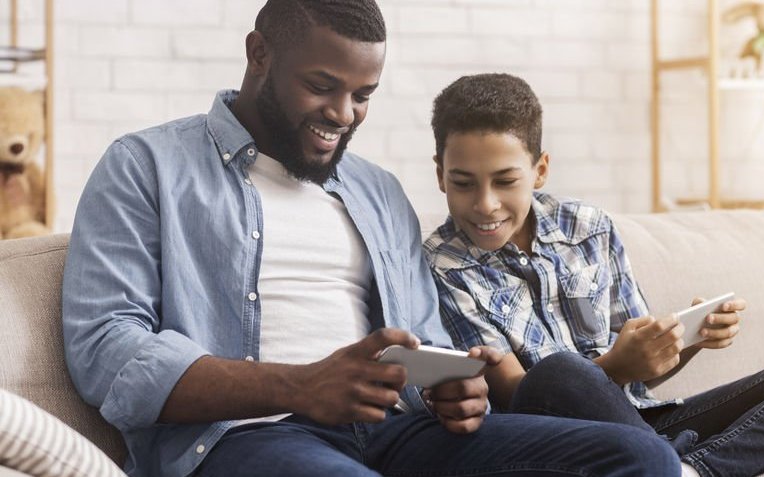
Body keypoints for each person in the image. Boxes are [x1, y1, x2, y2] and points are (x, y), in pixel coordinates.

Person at [61, 2, 683, 477]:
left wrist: (451, 388)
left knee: (639, 458)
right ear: (259, 54)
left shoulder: (377, 191)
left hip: (398, 431)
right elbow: (106, 349)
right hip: (246, 436)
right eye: (322, 86)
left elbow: (427, 342)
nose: (344, 113)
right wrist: (299, 385)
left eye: (363, 95)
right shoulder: (146, 166)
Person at [423, 72, 764, 477]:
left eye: (505, 181)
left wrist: (684, 341)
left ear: (540, 170)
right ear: (440, 174)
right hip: (557, 437)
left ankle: (685, 468)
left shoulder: (588, 228)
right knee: (558, 373)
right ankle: (665, 459)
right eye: (464, 183)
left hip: (646, 419)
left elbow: (642, 367)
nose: (486, 204)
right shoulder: (441, 265)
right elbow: (522, 396)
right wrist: (614, 366)